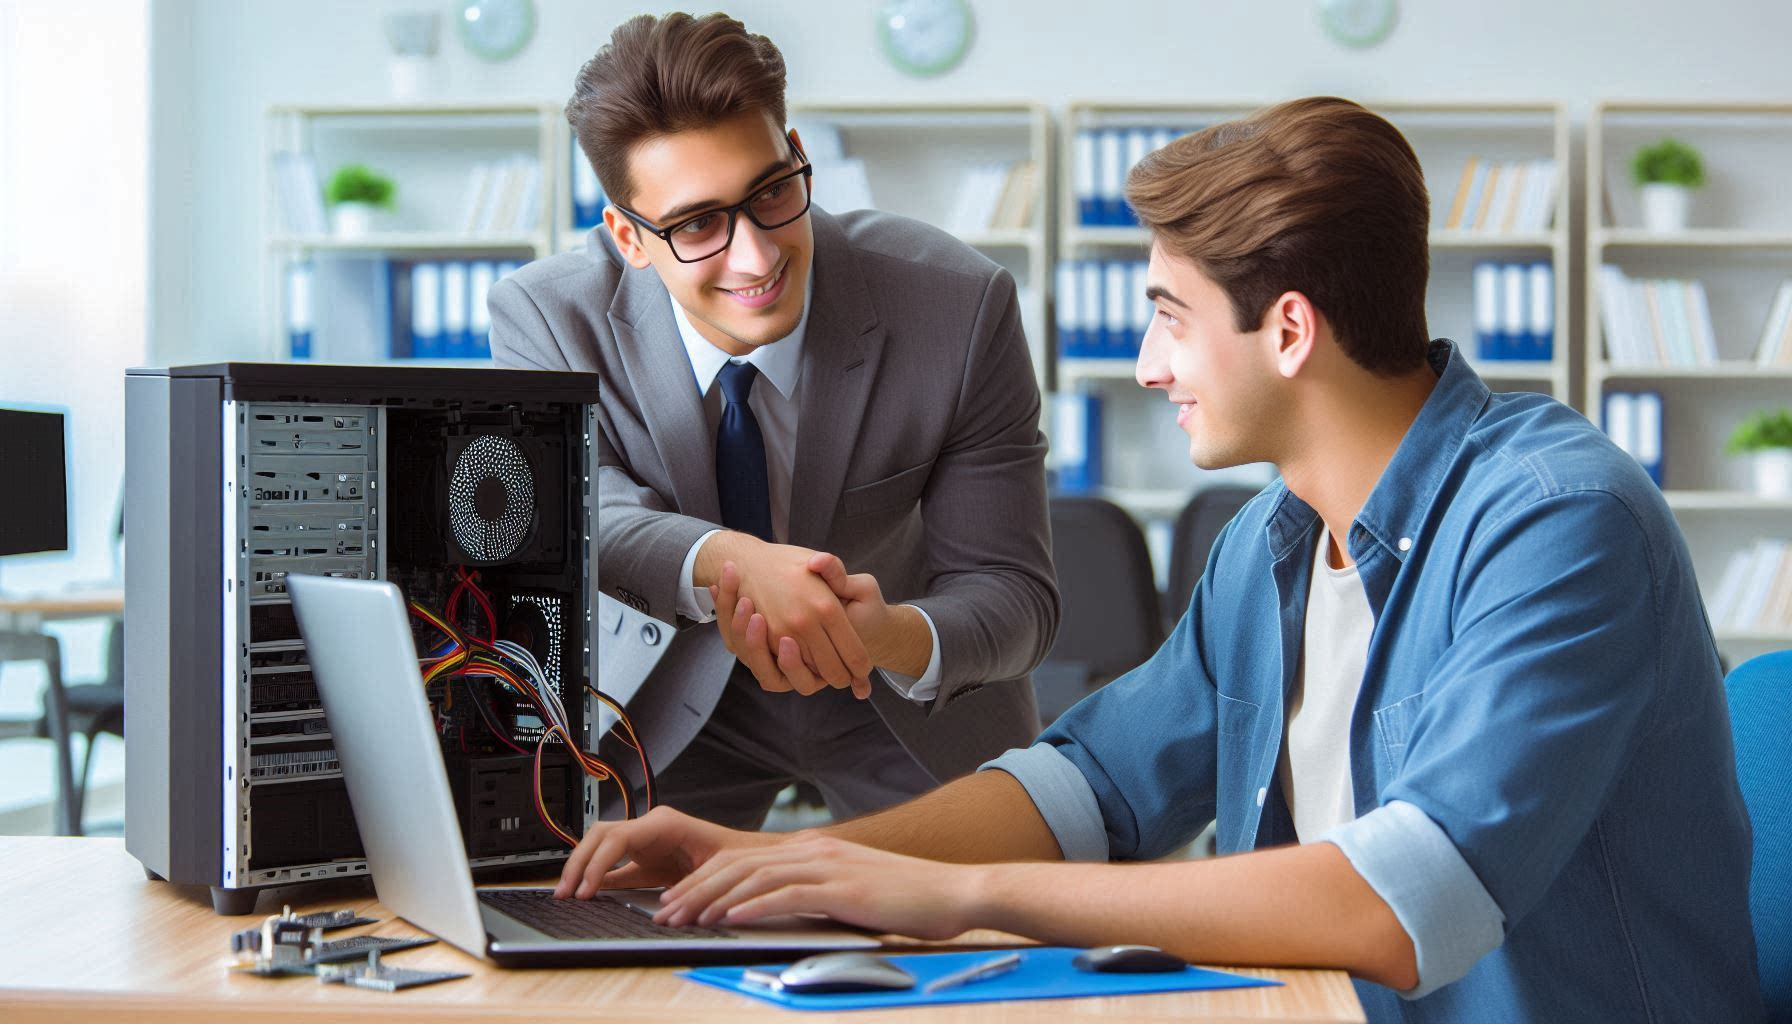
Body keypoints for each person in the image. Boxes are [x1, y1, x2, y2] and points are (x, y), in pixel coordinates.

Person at [548, 97, 1764, 1022]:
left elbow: (1404, 899)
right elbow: (1094, 786)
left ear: (1287, 329)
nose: (1144, 362)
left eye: (1168, 313)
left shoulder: (1556, 523)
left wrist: (967, 897)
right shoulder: (1270, 544)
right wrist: (796, 859)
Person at [488, 12, 1057, 828]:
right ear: (629, 237)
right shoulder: (547, 320)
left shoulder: (958, 309)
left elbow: (1015, 596)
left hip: (902, 690)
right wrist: (727, 561)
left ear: (796, 154)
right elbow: (573, 511)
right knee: (601, 926)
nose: (756, 257)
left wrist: (885, 634)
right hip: (669, 698)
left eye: (771, 193)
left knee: (979, 931)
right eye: (696, 225)